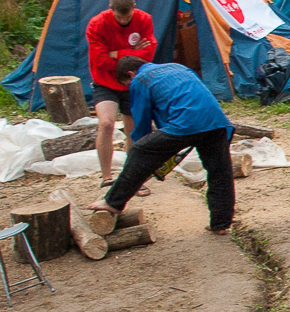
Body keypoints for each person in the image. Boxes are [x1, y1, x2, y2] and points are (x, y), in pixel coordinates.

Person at [88, 57, 236, 235]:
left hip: (186, 122)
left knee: (138, 150)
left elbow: (142, 123)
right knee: (220, 172)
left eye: (126, 83)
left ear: (130, 74)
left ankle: (113, 202)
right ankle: (221, 223)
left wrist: (144, 157)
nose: (129, 87)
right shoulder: (177, 66)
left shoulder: (140, 80)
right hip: (216, 121)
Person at [86, 0, 157, 194]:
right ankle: (107, 177)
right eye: (120, 17)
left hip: (132, 82)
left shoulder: (144, 19)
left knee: (133, 130)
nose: (125, 21)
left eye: (128, 17)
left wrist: (116, 53)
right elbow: (100, 61)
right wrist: (132, 55)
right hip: (105, 82)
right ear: (111, 11)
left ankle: (133, 177)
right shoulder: (97, 24)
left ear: (134, 9)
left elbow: (148, 54)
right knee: (106, 123)